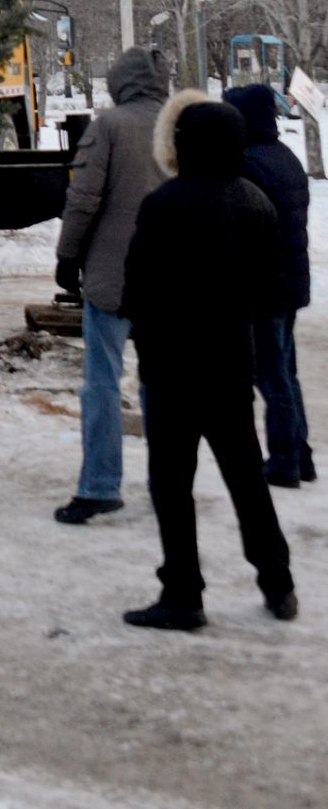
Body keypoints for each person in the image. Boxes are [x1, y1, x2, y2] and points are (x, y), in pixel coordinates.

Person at [119, 92, 295, 630]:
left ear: (183, 144)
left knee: (172, 485)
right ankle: (278, 582)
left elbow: (137, 290)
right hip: (229, 368)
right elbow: (271, 294)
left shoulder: (164, 205)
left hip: (173, 370)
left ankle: (183, 594)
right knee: (246, 477)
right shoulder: (255, 202)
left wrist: (149, 343)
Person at [51, 43, 170, 523]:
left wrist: (67, 257)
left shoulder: (110, 126)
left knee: (101, 381)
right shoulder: (181, 124)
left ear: (120, 81)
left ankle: (100, 485)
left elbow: (83, 199)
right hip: (170, 280)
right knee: (161, 384)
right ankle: (167, 482)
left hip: (112, 278)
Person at [226, 82, 314, 489]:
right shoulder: (285, 157)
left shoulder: (248, 164)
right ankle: (301, 454)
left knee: (270, 375)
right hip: (291, 283)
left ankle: (283, 460)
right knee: (285, 370)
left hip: (265, 288)